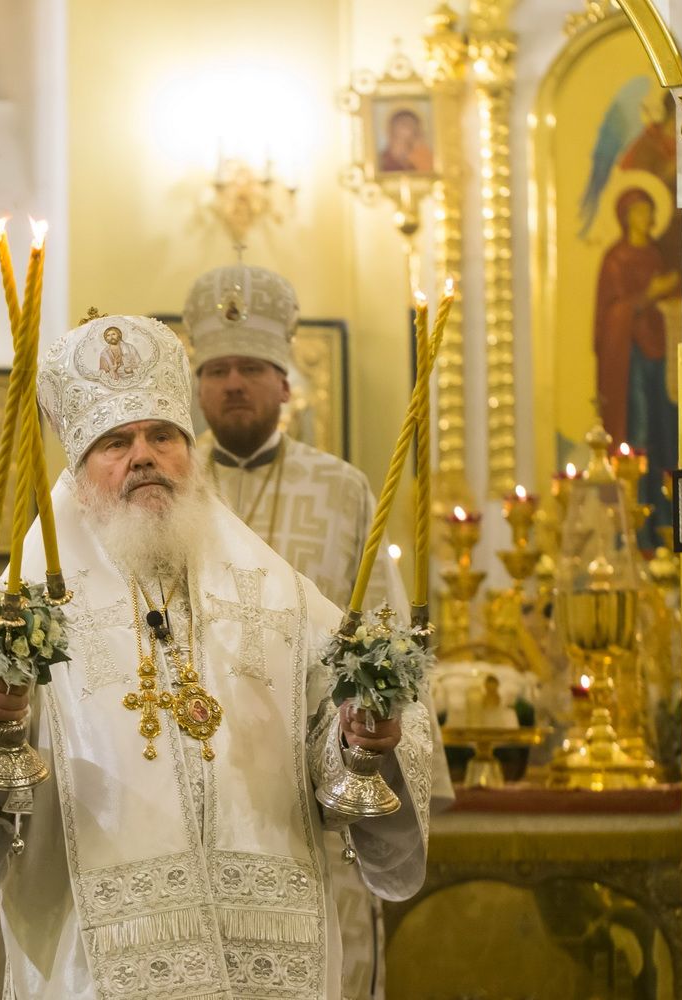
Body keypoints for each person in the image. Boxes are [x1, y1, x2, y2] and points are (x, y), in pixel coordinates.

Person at [0, 314, 434, 1000]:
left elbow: (347, 727)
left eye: (162, 436)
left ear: (188, 451)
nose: (144, 456)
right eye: (115, 442)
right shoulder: (26, 603)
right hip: (95, 954)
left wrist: (363, 738)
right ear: (79, 470)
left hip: (266, 947)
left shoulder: (276, 592)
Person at [185, 262, 454, 1000]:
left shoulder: (340, 489)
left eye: (251, 369)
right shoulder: (172, 487)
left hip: (316, 787)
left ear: (284, 384)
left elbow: (385, 637)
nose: (233, 384)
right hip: (196, 790)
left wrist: (388, 738)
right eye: (217, 370)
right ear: (197, 386)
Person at [593, 187, 680, 549]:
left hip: (658, 352)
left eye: (648, 210)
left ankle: (666, 523)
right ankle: (637, 529)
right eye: (638, 212)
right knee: (639, 431)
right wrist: (649, 294)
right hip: (630, 360)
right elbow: (611, 313)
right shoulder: (616, 259)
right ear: (626, 217)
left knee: (664, 432)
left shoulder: (655, 255)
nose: (644, 218)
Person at [377, 108, 433, 174]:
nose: (410, 129)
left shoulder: (420, 157)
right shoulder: (380, 160)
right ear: (391, 130)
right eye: (404, 124)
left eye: (414, 126)